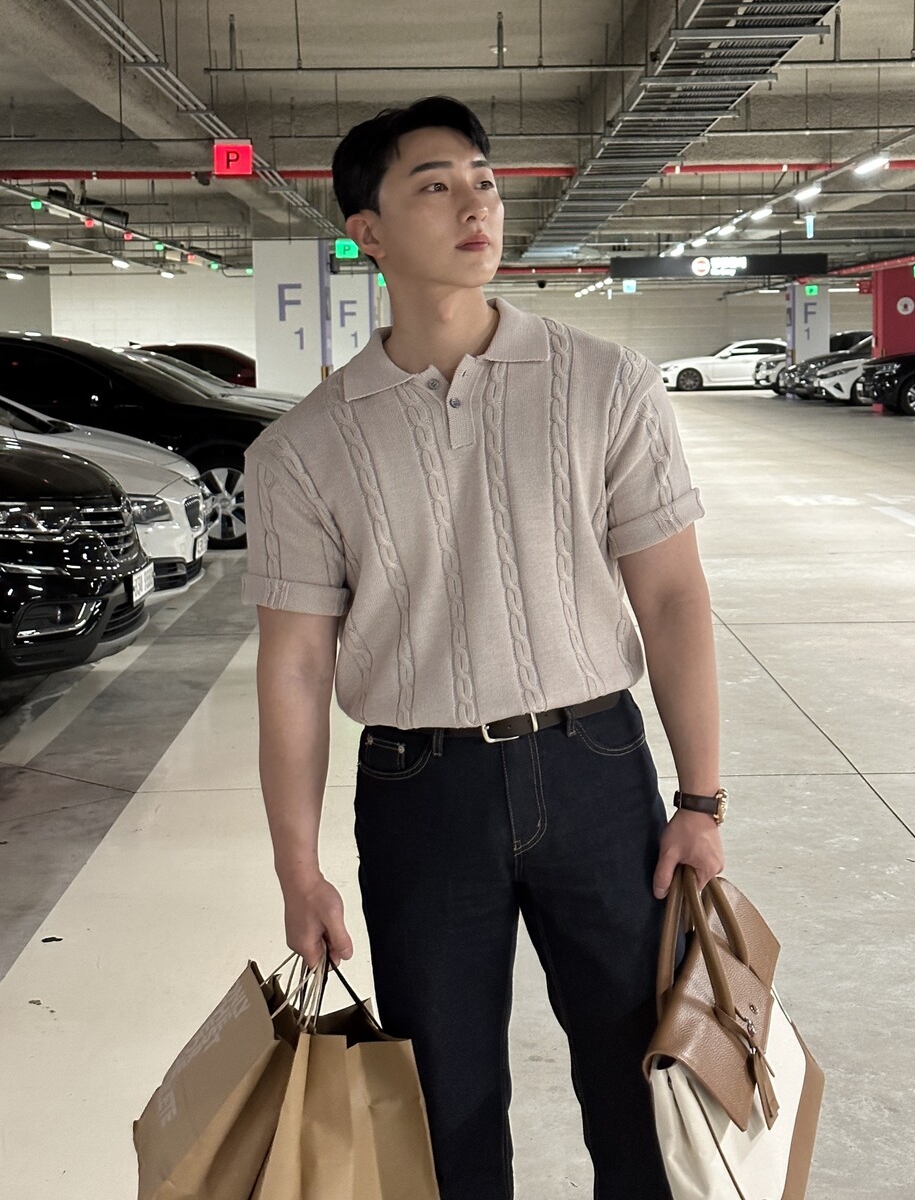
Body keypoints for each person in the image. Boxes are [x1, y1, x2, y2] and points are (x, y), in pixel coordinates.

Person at [241, 95, 726, 1200]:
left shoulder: (605, 382)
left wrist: (700, 799)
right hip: (421, 791)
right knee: (443, 1100)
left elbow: (670, 595)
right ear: (365, 229)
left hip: (595, 768)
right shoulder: (305, 449)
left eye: (485, 180)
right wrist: (295, 866)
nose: (476, 205)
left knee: (644, 1077)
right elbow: (297, 666)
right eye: (436, 185)